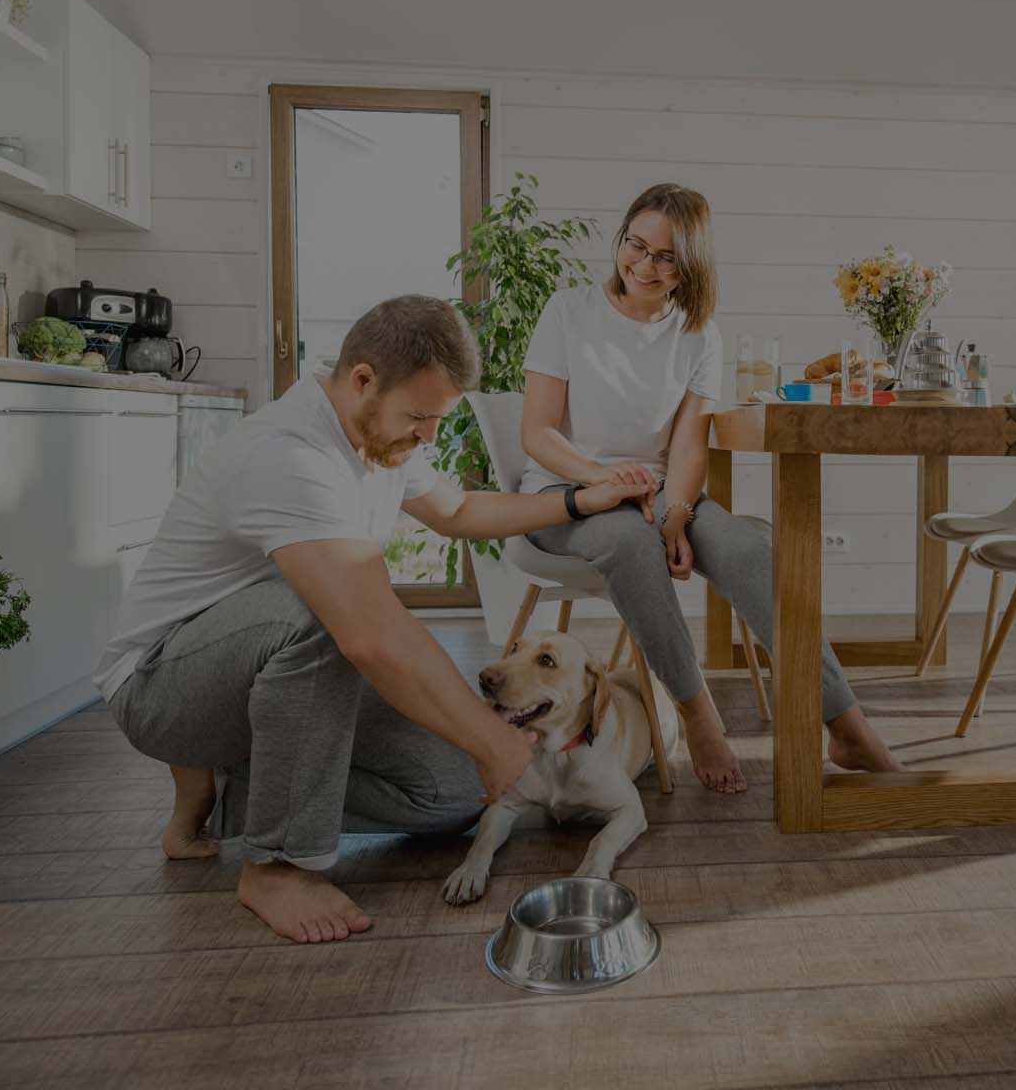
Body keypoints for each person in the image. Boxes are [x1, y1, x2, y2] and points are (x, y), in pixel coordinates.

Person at [95, 294, 649, 944]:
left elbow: (462, 511)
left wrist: (583, 499)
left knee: (455, 790)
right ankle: (275, 862)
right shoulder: (292, 455)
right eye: (421, 416)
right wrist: (492, 736)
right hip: (161, 686)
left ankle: (240, 795)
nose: (429, 437)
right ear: (362, 379)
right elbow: (367, 631)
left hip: (266, 682)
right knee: (331, 613)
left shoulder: (379, 438)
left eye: (437, 419)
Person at [520, 182, 902, 793]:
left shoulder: (699, 332)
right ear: (621, 239)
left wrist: (675, 516)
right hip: (567, 492)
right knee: (628, 541)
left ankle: (847, 724)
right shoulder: (568, 312)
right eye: (635, 246)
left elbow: (690, 441)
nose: (644, 266)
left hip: (659, 495)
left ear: (690, 265)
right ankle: (699, 715)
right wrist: (605, 478)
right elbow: (537, 433)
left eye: (665, 257)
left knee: (753, 550)